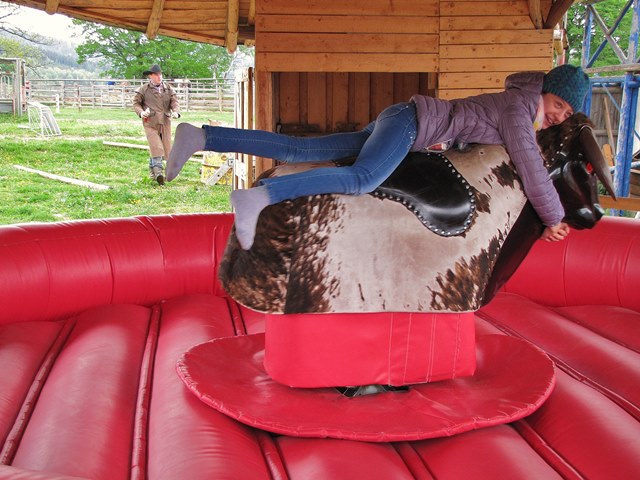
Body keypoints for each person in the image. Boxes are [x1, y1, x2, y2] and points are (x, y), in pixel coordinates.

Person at [167, 64, 590, 250]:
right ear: (546, 91)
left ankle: (202, 136)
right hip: (411, 124)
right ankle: (259, 198)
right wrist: (553, 217)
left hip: (405, 120)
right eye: (559, 105)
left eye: (566, 114)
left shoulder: (522, 108)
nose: (559, 115)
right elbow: (530, 164)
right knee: (361, 179)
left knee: (301, 148)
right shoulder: (521, 107)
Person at [133, 64, 181, 185]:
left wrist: (176, 112)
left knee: (165, 147)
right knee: (156, 146)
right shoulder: (144, 89)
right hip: (150, 122)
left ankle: (152, 173)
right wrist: (141, 112)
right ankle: (158, 172)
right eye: (156, 75)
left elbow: (174, 101)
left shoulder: (168, 88)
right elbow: (136, 103)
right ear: (150, 76)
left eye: (160, 74)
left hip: (165, 122)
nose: (159, 77)